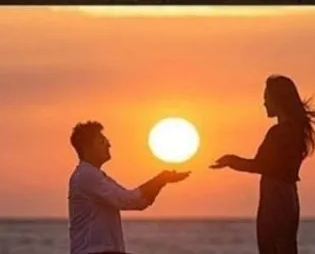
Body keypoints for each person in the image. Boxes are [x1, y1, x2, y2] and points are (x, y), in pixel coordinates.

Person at [211, 75, 315, 254]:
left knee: (271, 247)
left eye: (267, 98)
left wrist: (231, 160)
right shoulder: (296, 130)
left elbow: (261, 165)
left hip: (275, 197)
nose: (264, 103)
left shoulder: (280, 132)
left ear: (278, 99)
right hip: (288, 196)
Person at [68, 120, 190, 254]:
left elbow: (138, 202)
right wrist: (161, 179)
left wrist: (162, 181)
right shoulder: (87, 176)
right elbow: (129, 200)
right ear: (87, 147)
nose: (109, 145)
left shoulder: (97, 176)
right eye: (102, 141)